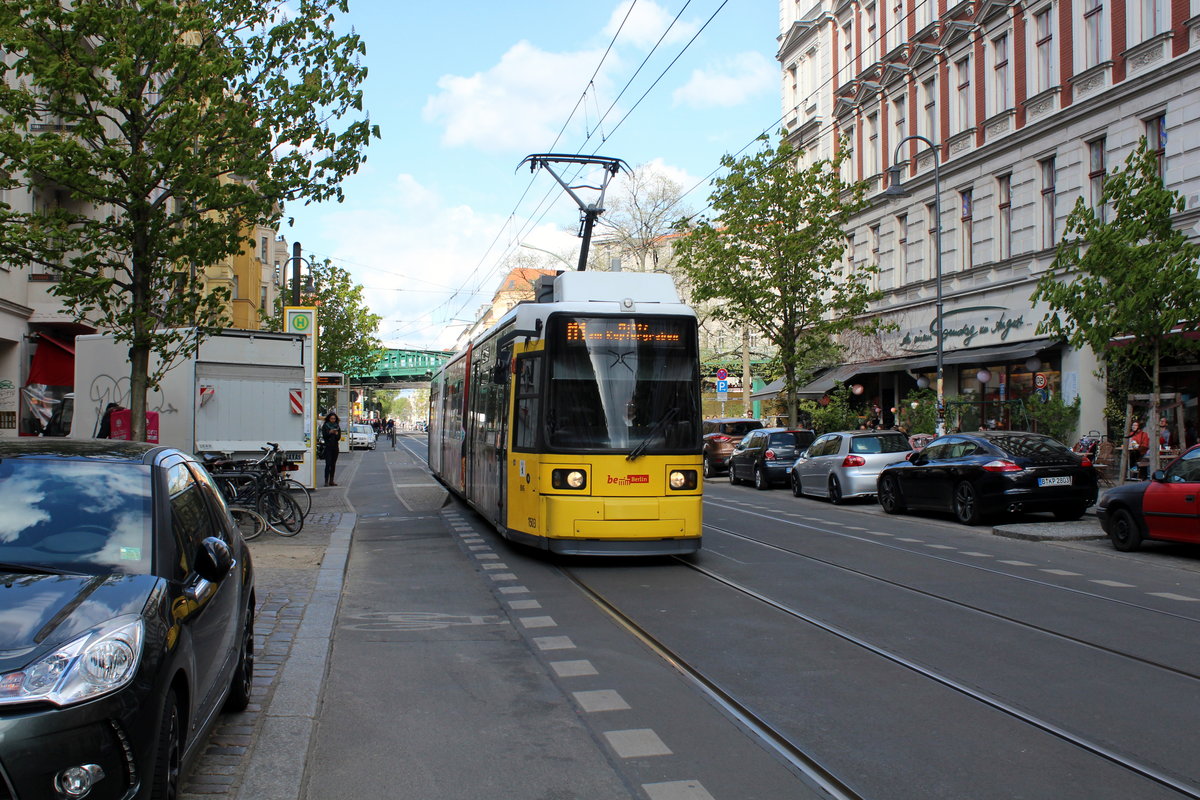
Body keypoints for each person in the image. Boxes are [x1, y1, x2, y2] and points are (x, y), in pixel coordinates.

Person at [321, 411, 343, 487]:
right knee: (328, 464)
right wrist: (330, 432)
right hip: (328, 447)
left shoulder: (337, 426)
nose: (333, 420)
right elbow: (324, 436)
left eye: (334, 418)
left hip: (335, 447)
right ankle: (326, 481)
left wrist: (336, 434)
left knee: (333, 464)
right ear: (329, 419)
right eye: (331, 418)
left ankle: (331, 480)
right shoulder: (325, 426)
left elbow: (338, 438)